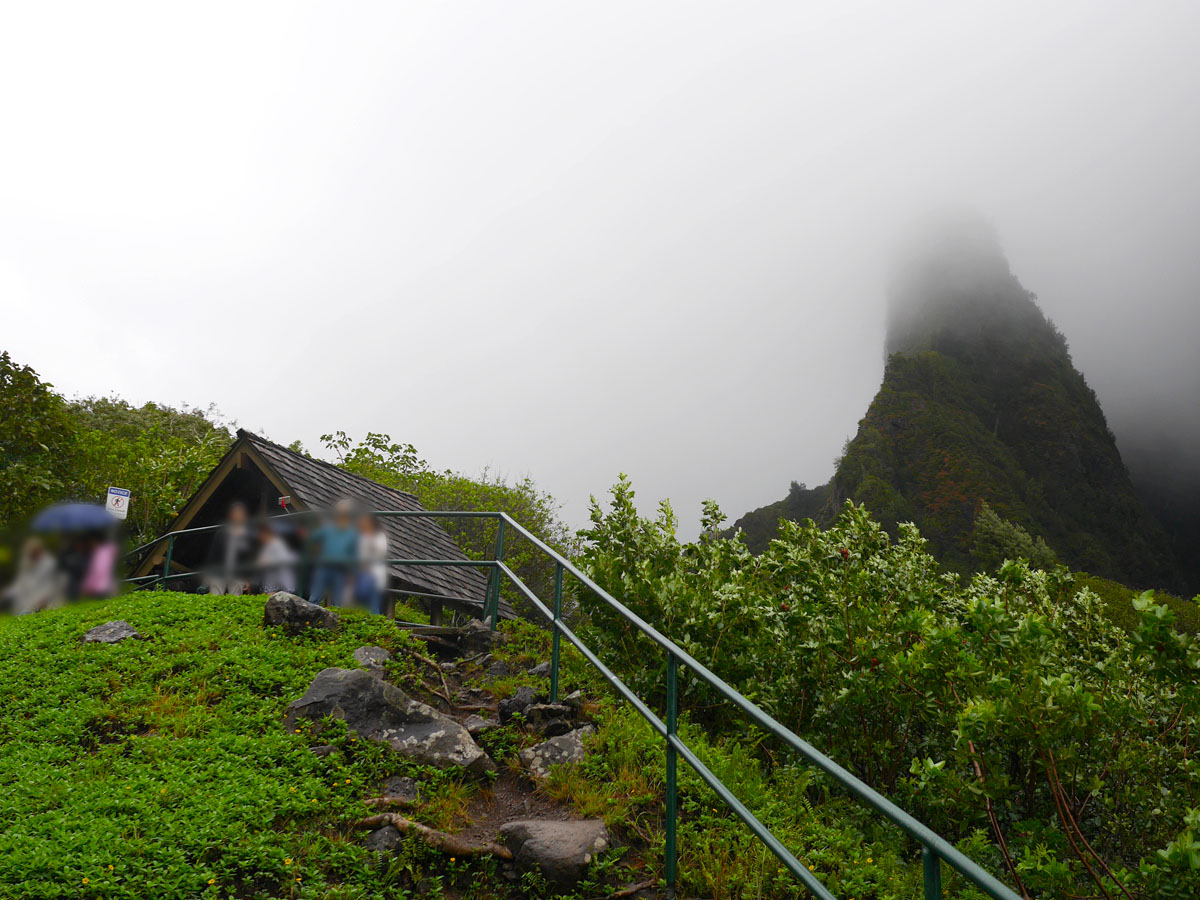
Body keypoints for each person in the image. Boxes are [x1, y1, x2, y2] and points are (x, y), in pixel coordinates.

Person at [307, 500, 359, 607]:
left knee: (338, 601)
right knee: (315, 597)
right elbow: (313, 538)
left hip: (340, 570)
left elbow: (353, 553)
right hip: (324, 566)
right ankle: (308, 621)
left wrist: (352, 572)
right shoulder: (328, 527)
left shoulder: (353, 532)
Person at [2, 537, 64, 615]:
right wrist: (6, 592)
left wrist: (43, 599)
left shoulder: (49, 563)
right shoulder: (26, 564)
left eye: (35, 550)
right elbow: (19, 585)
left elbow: (52, 585)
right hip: (29, 604)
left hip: (47, 604)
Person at [205, 502, 256, 595]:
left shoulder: (248, 534)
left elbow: (249, 557)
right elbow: (214, 553)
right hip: (220, 570)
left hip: (238, 571)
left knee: (235, 599)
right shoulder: (222, 532)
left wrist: (247, 577)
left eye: (239, 513)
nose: (237, 515)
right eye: (235, 513)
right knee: (215, 597)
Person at [355, 514, 389, 615]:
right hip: (362, 572)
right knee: (361, 600)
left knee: (374, 602)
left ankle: (374, 625)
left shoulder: (379, 536)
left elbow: (381, 551)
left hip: (374, 573)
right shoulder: (361, 537)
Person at [255, 521, 297, 594]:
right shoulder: (266, 546)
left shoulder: (276, 543)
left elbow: (284, 560)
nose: (259, 537)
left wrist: (269, 561)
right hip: (270, 583)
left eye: (260, 534)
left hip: (279, 585)